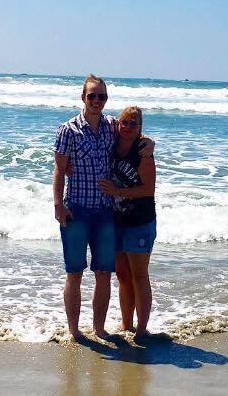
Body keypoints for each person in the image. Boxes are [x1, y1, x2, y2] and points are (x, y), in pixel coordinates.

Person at [52, 75, 153, 340]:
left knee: (104, 274)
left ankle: (99, 329)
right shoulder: (68, 129)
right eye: (92, 95)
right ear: (83, 97)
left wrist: (150, 142)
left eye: (101, 96)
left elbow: (133, 132)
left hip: (106, 213)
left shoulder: (111, 126)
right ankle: (74, 332)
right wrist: (58, 204)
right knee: (74, 273)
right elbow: (59, 169)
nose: (97, 100)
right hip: (76, 211)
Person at [98, 106, 157, 339]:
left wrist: (118, 191)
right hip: (116, 221)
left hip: (139, 221)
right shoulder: (112, 145)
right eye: (125, 122)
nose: (128, 127)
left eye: (134, 123)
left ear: (140, 127)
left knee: (139, 276)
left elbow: (148, 190)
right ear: (118, 124)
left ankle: (141, 330)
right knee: (122, 276)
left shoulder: (143, 150)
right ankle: (126, 324)